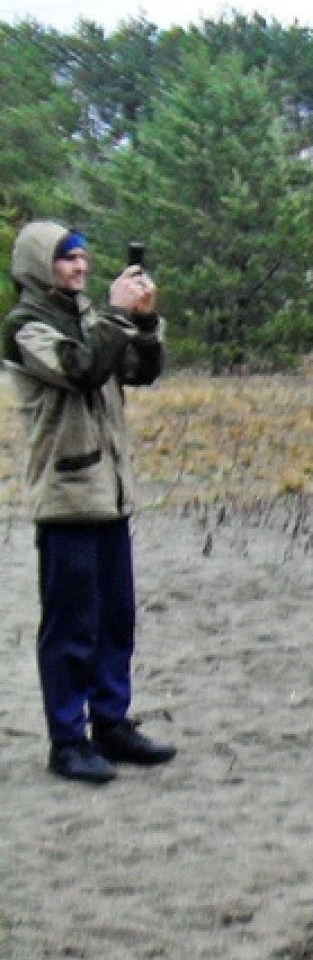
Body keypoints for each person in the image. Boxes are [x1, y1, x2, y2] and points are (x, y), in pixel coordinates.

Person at [4, 221, 173, 784]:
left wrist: (143, 321)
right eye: (65, 259)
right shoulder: (25, 327)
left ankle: (112, 723)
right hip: (67, 497)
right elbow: (79, 370)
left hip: (110, 494)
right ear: (37, 266)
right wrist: (115, 315)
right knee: (71, 626)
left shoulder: (87, 319)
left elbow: (138, 371)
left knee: (115, 619)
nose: (79, 267)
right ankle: (67, 739)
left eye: (82, 258)